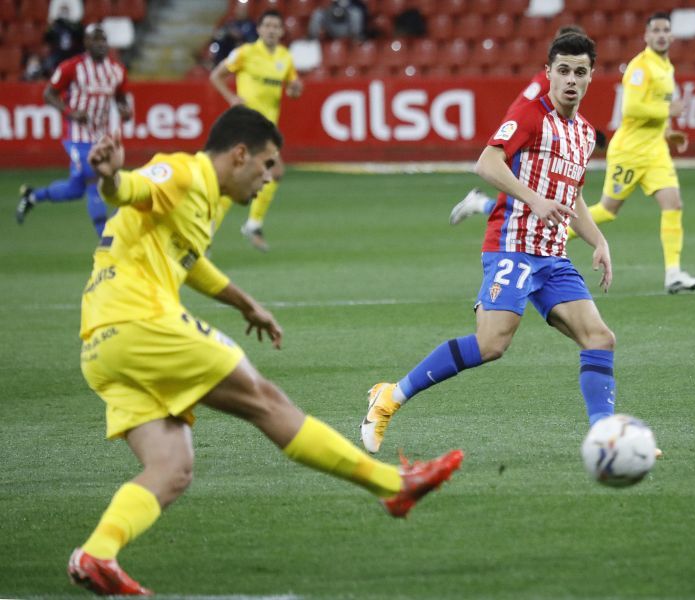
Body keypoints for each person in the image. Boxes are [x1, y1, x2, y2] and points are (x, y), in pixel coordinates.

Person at [67, 106, 463, 595]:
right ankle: (392, 487)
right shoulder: (184, 172)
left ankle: (97, 553)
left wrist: (245, 303)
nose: (269, 177)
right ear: (239, 155)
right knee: (265, 400)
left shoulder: (205, 202)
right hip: (141, 322)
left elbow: (188, 261)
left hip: (102, 346)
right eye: (267, 164)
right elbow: (130, 189)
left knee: (171, 467)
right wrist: (109, 178)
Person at [361, 33, 617, 454]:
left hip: (552, 257)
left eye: (581, 72)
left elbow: (574, 195)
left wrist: (599, 239)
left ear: (591, 77)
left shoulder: (585, 134)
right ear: (549, 72)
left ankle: (605, 436)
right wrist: (533, 199)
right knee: (492, 344)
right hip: (512, 248)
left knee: (601, 338)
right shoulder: (531, 115)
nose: (571, 79)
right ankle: (390, 396)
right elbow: (487, 162)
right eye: (564, 70)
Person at [585, 12, 695, 294]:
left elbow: (657, 109)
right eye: (656, 30)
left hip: (655, 151)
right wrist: (667, 111)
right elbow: (633, 109)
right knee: (607, 211)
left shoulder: (667, 67)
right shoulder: (640, 67)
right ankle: (553, 234)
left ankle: (673, 274)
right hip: (630, 151)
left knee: (673, 203)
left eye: (666, 30)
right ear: (647, 36)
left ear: (671, 36)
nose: (661, 35)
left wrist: (669, 131)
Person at [449, 25, 593, 225]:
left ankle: (480, 203)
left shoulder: (559, 78)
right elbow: (525, 111)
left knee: (532, 201)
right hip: (524, 135)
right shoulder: (547, 81)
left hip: (528, 133)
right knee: (526, 201)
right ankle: (482, 206)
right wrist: (517, 135)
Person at [16, 24, 131, 237]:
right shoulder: (72, 67)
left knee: (75, 189)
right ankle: (106, 238)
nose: (100, 44)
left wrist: (125, 109)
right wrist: (70, 112)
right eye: (95, 39)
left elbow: (121, 97)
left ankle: (33, 197)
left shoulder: (116, 70)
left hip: (100, 137)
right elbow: (49, 94)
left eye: (103, 39)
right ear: (86, 43)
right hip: (77, 136)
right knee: (93, 177)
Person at [210, 9, 302, 252]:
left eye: (276, 26)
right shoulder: (245, 53)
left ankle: (241, 226)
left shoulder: (285, 57)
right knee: (245, 177)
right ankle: (246, 225)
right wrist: (231, 97)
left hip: (267, 128)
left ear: (282, 32)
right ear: (259, 30)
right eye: (268, 26)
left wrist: (295, 89)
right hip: (246, 123)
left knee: (266, 174)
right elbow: (216, 75)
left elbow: (292, 88)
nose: (272, 30)